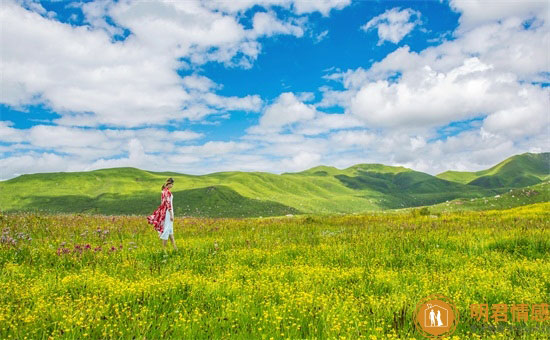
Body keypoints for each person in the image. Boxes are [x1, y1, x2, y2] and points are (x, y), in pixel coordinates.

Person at [147, 178, 177, 251]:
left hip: (167, 212)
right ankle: (163, 250)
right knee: (166, 230)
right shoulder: (167, 192)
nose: (172, 185)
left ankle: (175, 248)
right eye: (172, 184)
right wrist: (171, 214)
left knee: (170, 230)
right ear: (169, 183)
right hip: (168, 212)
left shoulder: (164, 191)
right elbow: (168, 203)